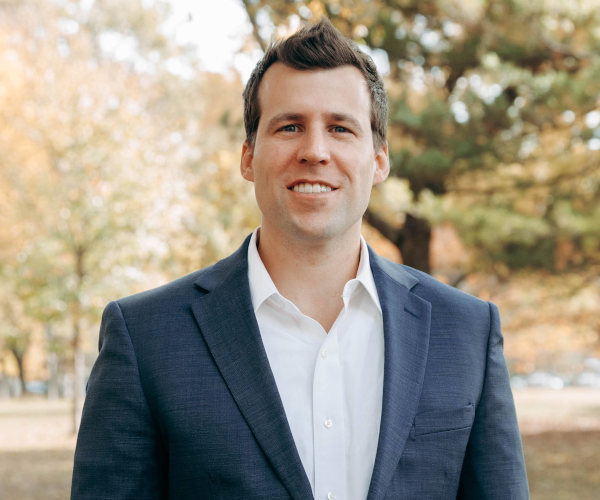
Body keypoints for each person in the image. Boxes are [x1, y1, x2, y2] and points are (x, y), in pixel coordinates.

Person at [71, 17, 529, 500]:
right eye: (289, 126)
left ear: (379, 160)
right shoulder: (145, 338)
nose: (315, 151)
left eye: (340, 128)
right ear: (248, 157)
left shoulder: (466, 332)